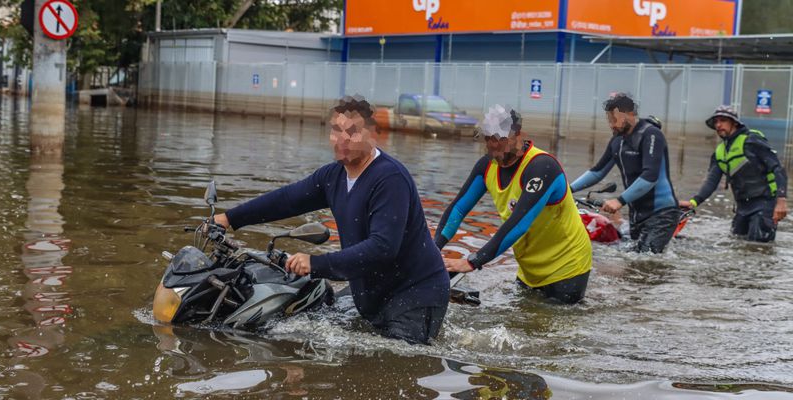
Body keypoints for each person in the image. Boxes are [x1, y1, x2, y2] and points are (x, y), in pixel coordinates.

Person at [213, 95, 450, 345]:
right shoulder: (332, 176)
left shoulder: (390, 179)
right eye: (337, 130)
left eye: (353, 132)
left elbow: (383, 247)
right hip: (373, 293)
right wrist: (229, 218)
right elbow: (287, 199)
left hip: (415, 293)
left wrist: (316, 264)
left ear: (372, 135)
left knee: (392, 371)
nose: (342, 139)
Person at [434, 104, 592, 304]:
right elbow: (458, 208)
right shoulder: (486, 166)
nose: (492, 145)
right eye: (488, 138)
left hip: (568, 267)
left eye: (499, 139)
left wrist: (473, 261)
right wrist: (432, 249)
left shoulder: (542, 167)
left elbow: (519, 223)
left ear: (517, 135)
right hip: (530, 269)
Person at [570, 93, 680, 253]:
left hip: (662, 213)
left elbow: (650, 177)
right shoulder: (617, 141)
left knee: (647, 262)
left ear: (630, 114)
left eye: (614, 119)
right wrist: (567, 189)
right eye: (609, 120)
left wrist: (620, 201)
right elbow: (597, 172)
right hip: (637, 214)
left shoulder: (651, 135)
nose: (611, 125)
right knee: (633, 264)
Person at [678, 105, 788, 242]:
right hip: (742, 207)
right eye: (716, 122)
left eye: (723, 120)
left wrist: (781, 201)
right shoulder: (719, 152)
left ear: (734, 123)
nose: (718, 125)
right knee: (737, 244)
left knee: (759, 248)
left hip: (764, 204)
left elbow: (778, 168)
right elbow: (712, 182)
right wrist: (694, 202)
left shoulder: (752, 140)